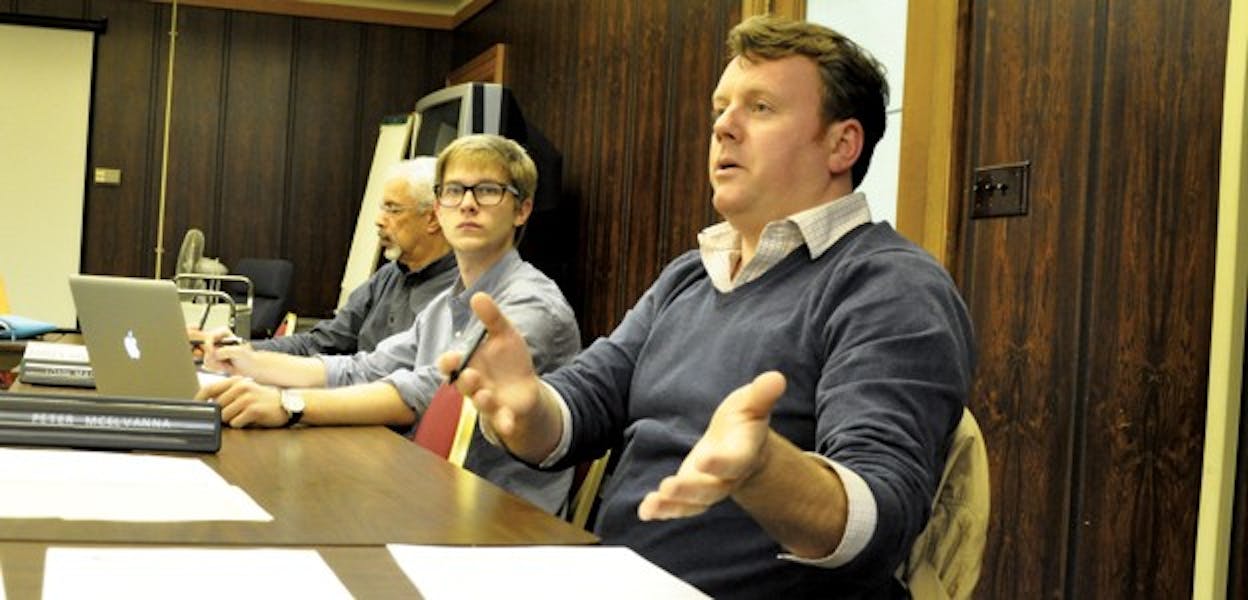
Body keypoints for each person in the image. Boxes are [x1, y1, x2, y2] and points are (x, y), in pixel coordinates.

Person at [437, 16, 975, 599]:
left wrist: (766, 470)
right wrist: (527, 409)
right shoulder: (691, 274)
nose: (723, 126)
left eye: (760, 107)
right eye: (721, 108)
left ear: (841, 145)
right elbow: (589, 399)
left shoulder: (889, 284)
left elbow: (884, 513)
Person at [196, 134, 580, 514]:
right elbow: (365, 368)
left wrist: (289, 404)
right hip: (425, 492)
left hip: (501, 518)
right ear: (439, 209)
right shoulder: (445, 304)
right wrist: (247, 361)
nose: (467, 203)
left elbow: (428, 391)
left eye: (488, 190)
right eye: (453, 191)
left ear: (522, 210)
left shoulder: (532, 304)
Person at [249, 157, 457, 356]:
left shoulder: (459, 292)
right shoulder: (387, 278)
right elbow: (324, 341)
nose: (379, 220)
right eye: (382, 208)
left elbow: (401, 372)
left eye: (393, 209)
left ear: (433, 219)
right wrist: (246, 351)